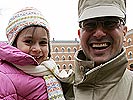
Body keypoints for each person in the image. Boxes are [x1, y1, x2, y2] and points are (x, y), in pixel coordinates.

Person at [0, 7, 73, 100]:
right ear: (14, 44)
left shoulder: (47, 69)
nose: (37, 49)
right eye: (29, 41)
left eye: (43, 43)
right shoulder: (3, 76)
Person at [72, 0, 133, 100]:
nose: (99, 33)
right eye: (90, 24)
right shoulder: (57, 88)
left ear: (124, 32)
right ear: (79, 34)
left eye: (110, 23)